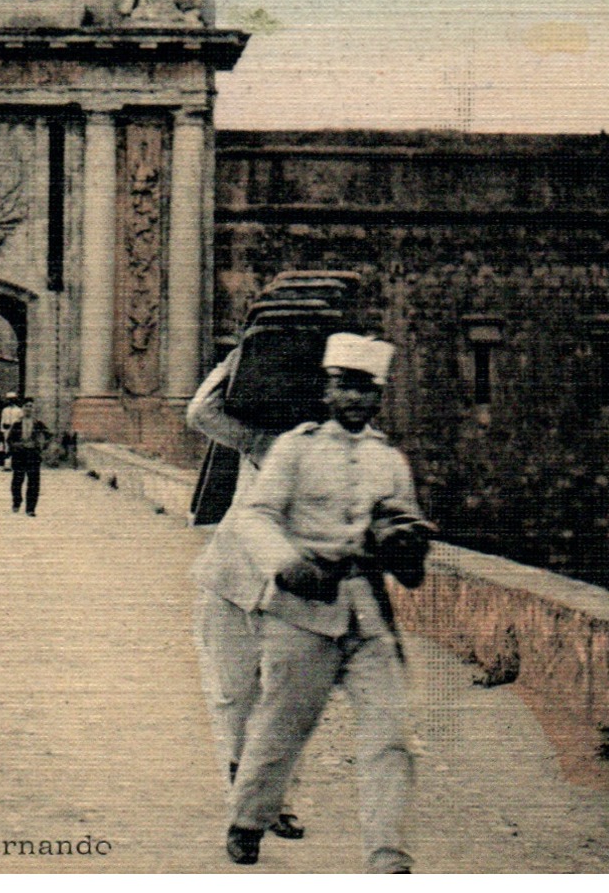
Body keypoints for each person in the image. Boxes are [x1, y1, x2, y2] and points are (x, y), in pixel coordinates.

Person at [222, 333, 434, 873]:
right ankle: (249, 817)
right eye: (346, 387)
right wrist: (286, 565)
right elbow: (255, 514)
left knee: (391, 735)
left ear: (378, 396)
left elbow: (404, 526)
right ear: (327, 389)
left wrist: (404, 541)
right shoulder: (297, 447)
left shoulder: (389, 460)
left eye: (367, 390)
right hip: (302, 610)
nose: (356, 400)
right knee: (282, 725)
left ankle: (389, 858)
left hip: (368, 611)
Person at [185, 346, 305, 847]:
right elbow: (200, 413)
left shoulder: (345, 458)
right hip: (231, 586)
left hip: (288, 599)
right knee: (236, 700)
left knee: (284, 705)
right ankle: (247, 810)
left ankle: (272, 802)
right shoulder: (264, 443)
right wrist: (237, 359)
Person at [5, 397, 50, 516]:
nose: (28, 409)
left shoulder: (38, 423)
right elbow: (9, 439)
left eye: (31, 406)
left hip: (33, 455)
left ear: (33, 409)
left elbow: (49, 435)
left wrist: (42, 446)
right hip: (19, 455)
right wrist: (16, 446)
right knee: (17, 481)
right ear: (22, 408)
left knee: (34, 482)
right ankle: (17, 500)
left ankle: (30, 508)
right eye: (26, 406)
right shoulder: (17, 423)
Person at [0, 392, 23, 471]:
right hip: (6, 430)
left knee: (14, 447)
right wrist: (2, 430)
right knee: (6, 447)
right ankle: (6, 465)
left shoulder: (19, 410)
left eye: (12, 399)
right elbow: (2, 420)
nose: (10, 401)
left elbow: (20, 421)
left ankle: (14, 464)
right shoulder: (5, 410)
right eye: (9, 400)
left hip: (14, 431)